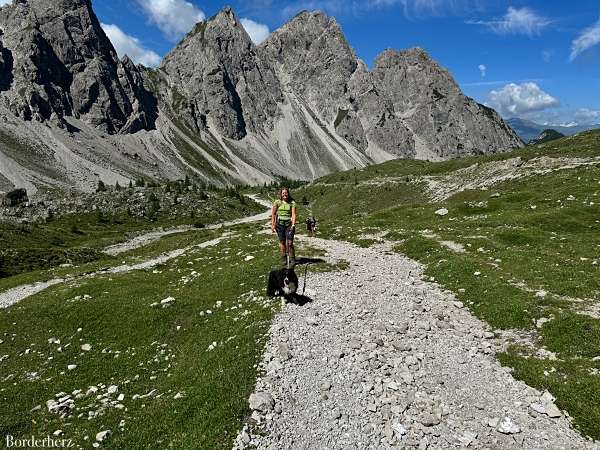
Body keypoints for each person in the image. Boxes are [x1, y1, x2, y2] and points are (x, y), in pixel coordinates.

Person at [271, 187, 297, 268]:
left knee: (290, 243)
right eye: (283, 193)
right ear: (281, 194)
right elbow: (274, 214)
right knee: (282, 242)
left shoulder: (292, 202)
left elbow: (293, 214)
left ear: (288, 194)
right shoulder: (277, 202)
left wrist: (293, 225)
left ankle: (292, 259)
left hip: (289, 225)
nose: (285, 194)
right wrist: (273, 224)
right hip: (280, 225)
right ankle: (284, 260)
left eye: (286, 193)